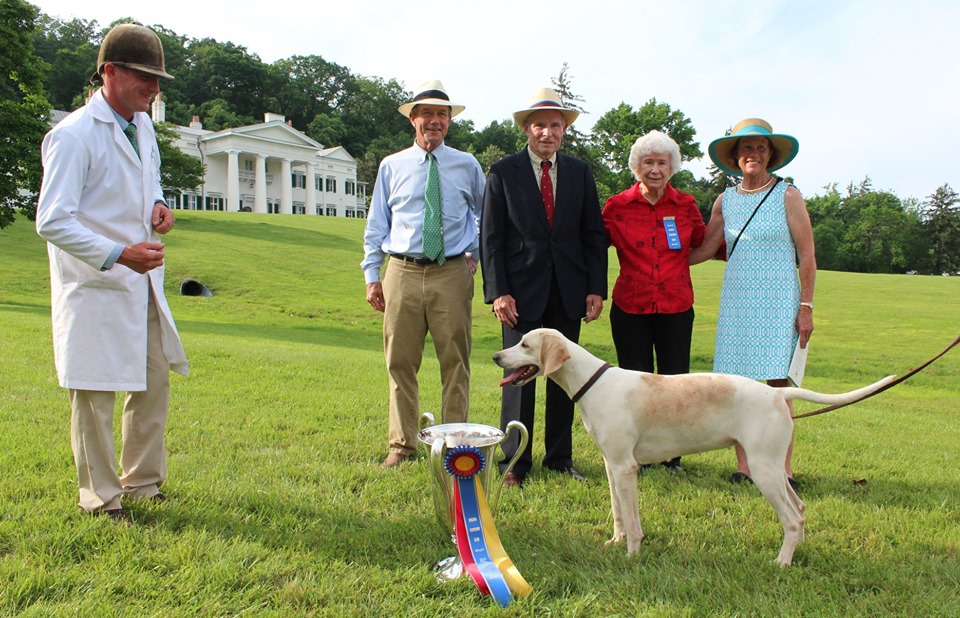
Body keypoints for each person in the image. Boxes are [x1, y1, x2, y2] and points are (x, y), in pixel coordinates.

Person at [36, 23, 189, 519]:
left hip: (142, 282)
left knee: (151, 381)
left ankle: (142, 482)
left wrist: (160, 203)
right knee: (96, 392)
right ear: (110, 71)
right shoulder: (73, 135)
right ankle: (101, 498)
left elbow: (150, 176)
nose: (154, 88)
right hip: (97, 282)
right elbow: (52, 219)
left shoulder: (142, 125)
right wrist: (119, 253)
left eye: (158, 79)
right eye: (144, 77)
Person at [481, 87, 608, 487]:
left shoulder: (580, 173)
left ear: (564, 130)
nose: (547, 132)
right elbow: (492, 238)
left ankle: (559, 459)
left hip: (568, 291)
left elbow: (593, 234)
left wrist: (595, 287)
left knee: (562, 377)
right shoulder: (503, 172)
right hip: (520, 293)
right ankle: (514, 464)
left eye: (556, 125)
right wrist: (498, 291)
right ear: (526, 128)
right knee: (519, 382)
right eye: (540, 125)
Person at [361, 80, 485, 468]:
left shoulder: (467, 165)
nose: (434, 121)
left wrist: (475, 252)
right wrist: (372, 273)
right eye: (426, 113)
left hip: (451, 271)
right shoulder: (391, 165)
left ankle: (453, 444)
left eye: (442, 114)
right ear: (413, 119)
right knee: (400, 360)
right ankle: (402, 444)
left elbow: (486, 214)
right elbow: (377, 222)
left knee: (455, 361)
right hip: (402, 270)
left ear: (449, 121)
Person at [689, 118, 816, 491]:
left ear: (771, 155)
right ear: (735, 156)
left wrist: (806, 306)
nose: (754, 155)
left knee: (778, 390)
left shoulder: (787, 195)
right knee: (738, 390)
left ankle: (784, 471)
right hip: (738, 302)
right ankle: (744, 467)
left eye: (761, 148)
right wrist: (659, 258)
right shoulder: (725, 201)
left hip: (779, 301)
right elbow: (707, 248)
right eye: (746, 148)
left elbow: (807, 253)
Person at [602, 131, 706, 474]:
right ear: (636, 167)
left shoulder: (686, 205)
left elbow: (705, 243)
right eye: (648, 162)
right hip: (631, 306)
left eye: (662, 162)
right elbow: (590, 246)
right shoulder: (617, 206)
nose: (656, 169)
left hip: (676, 306)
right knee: (634, 384)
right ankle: (639, 453)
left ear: (672, 167)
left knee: (676, 384)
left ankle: (672, 455)